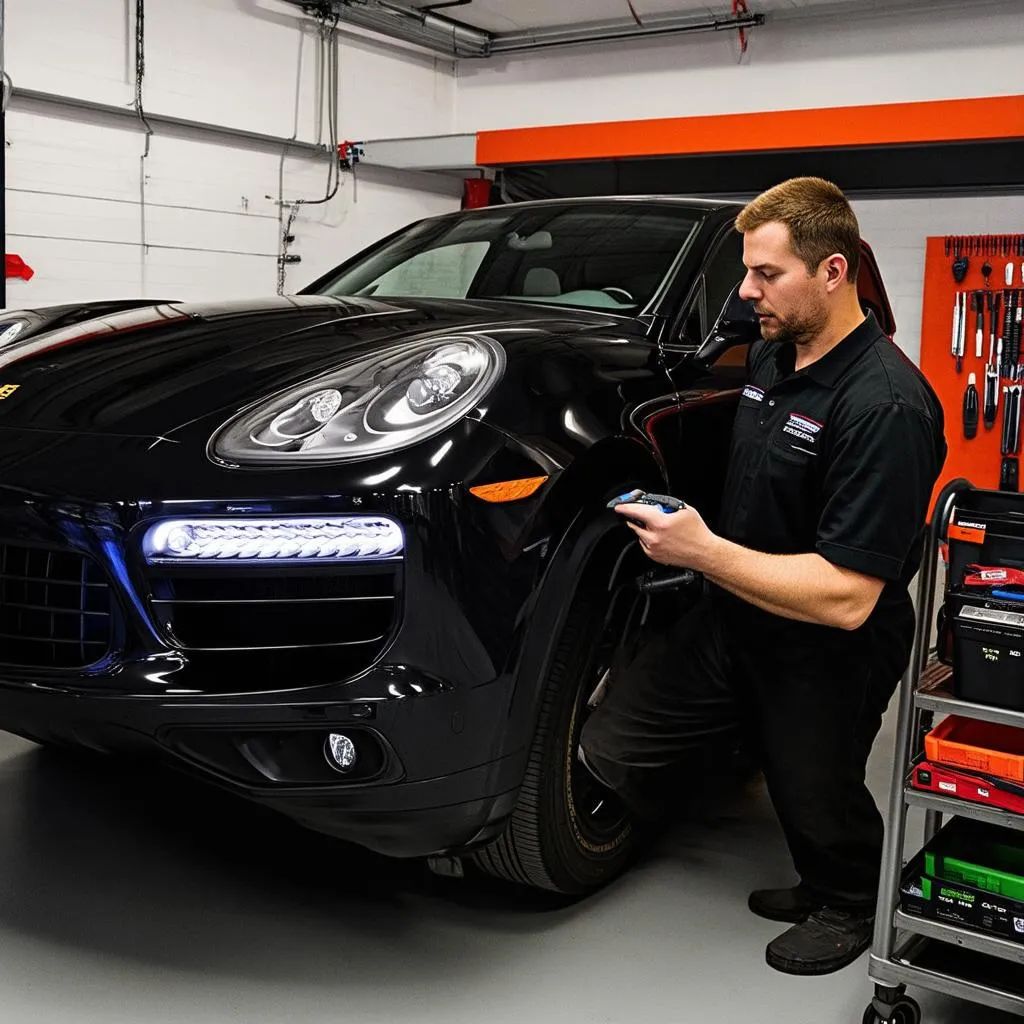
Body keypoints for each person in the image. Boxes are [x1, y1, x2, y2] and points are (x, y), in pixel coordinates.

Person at [579, 176, 947, 976]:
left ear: (833, 273)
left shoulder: (886, 406)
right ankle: (797, 828)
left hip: (826, 642)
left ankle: (845, 897)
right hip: (740, 607)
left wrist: (700, 551)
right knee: (617, 741)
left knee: (817, 790)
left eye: (765, 274)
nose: (745, 293)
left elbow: (849, 599)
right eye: (747, 271)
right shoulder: (775, 355)